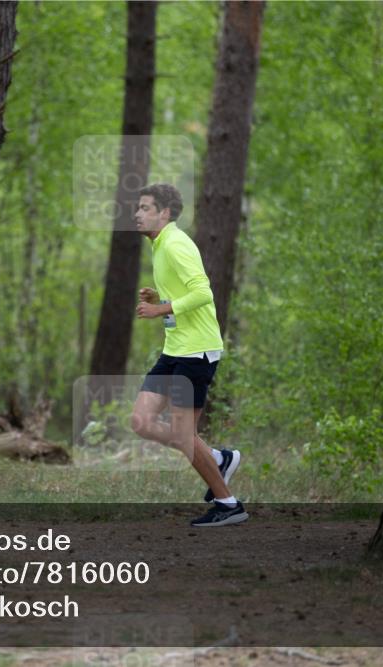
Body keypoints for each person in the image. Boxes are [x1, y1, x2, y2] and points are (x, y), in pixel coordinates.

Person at [130, 183, 247, 527]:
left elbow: (203, 292)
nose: (137, 214)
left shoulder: (177, 244)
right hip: (175, 348)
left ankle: (228, 504)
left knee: (183, 435)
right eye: (138, 207)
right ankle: (217, 457)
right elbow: (182, 293)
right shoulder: (161, 244)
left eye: (145, 208)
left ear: (164, 214)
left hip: (196, 351)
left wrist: (161, 308)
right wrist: (159, 299)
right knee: (141, 421)